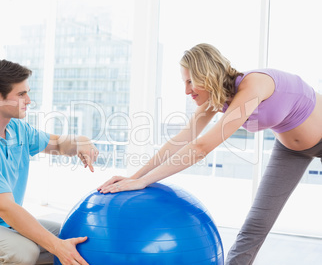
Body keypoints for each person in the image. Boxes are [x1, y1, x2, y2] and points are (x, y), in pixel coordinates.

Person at [98, 43, 322, 264]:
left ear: (207, 75)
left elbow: (201, 148)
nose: (186, 91)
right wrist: (135, 178)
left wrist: (145, 181)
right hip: (291, 150)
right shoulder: (214, 100)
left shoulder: (253, 86)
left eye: (190, 81)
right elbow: (183, 139)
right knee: (256, 224)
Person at [0, 59, 98, 265]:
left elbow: (58, 144)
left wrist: (82, 143)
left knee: (72, 237)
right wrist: (56, 247)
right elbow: (5, 207)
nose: (29, 100)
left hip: (5, 227)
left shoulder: (17, 129)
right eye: (21, 94)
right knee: (24, 252)